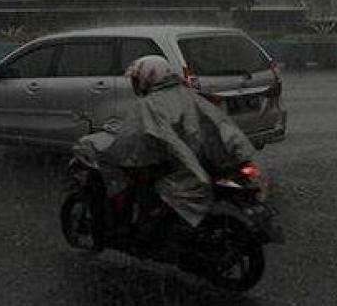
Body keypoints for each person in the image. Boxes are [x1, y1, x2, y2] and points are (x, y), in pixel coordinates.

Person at [73, 55, 255, 230]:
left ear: (147, 77)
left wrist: (114, 151)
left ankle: (142, 226)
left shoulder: (150, 104)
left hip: (174, 164)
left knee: (135, 182)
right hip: (201, 157)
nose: (135, 85)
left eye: (136, 80)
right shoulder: (188, 94)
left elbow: (141, 137)